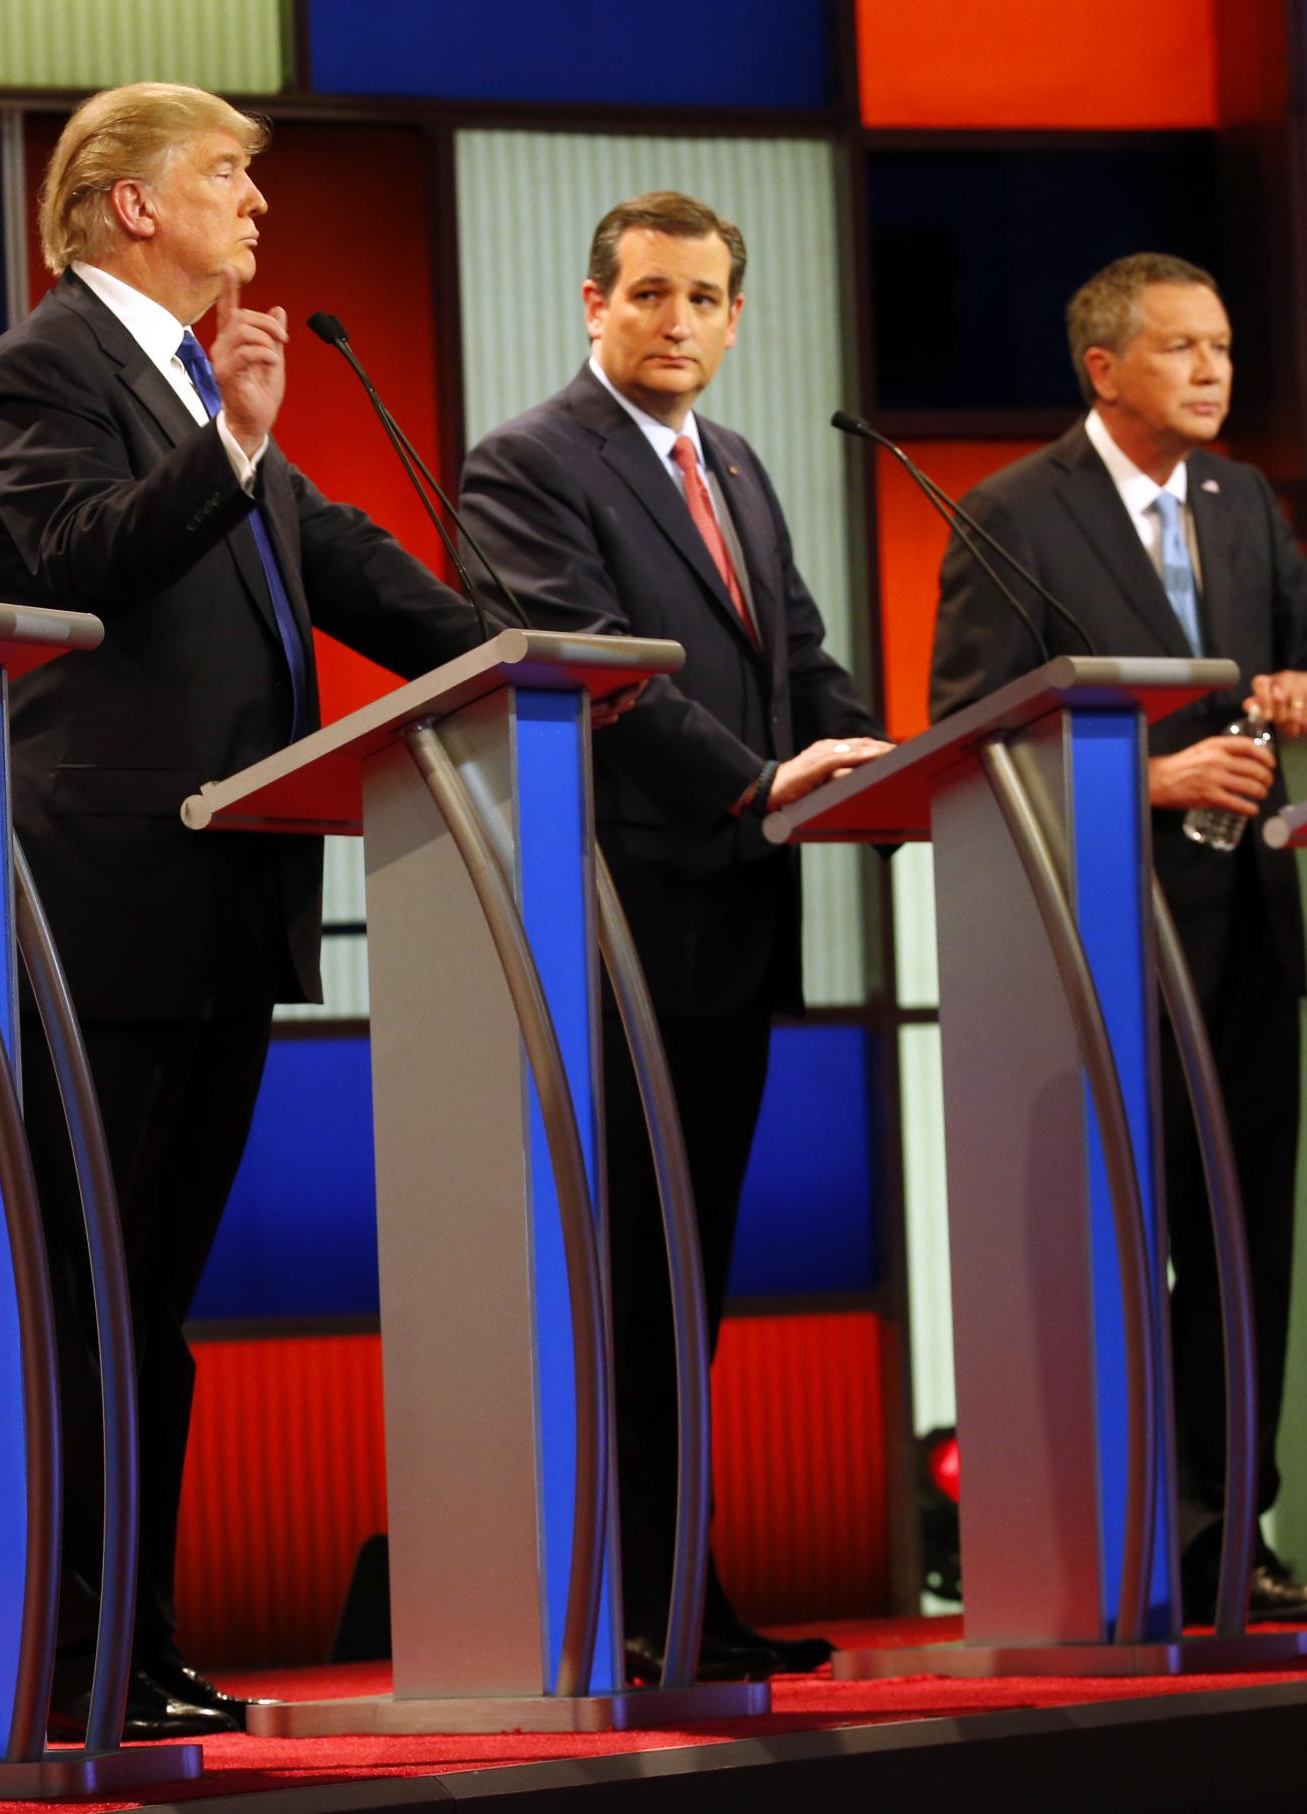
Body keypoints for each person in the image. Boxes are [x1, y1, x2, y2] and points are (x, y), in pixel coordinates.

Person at [0, 81, 493, 1740]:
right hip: (104, 903)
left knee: (154, 1303)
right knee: (82, 1292)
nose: (256, 208)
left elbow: (356, 576)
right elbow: (70, 555)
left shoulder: (201, 389)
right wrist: (234, 446)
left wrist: (523, 668)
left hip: (226, 904)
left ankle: (136, 1634)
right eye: (226, 178)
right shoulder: (46, 367)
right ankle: (61, 1645)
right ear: (126, 204)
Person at [460, 192, 886, 1681]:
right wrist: (757, 781)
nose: (677, 322)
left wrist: (871, 765)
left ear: (736, 316)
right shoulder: (527, 464)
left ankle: (680, 1591)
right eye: (649, 294)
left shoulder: (744, 467)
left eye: (705, 298)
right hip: (617, 927)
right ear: (593, 305)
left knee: (689, 1280)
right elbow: (595, 675)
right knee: (625, 1279)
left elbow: (805, 658)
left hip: (740, 920)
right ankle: (623, 1599)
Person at [928, 251, 1307, 1625]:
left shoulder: (1247, 506)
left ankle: (1229, 1536)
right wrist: (1148, 779)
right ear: (1104, 369)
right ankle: (1115, 1542)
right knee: (1121, 1249)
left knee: (1241, 1248)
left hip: (1245, 936)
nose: (1212, 371)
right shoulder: (1011, 512)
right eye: (1181, 348)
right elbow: (971, 735)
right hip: (1095, 948)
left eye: (1224, 348)